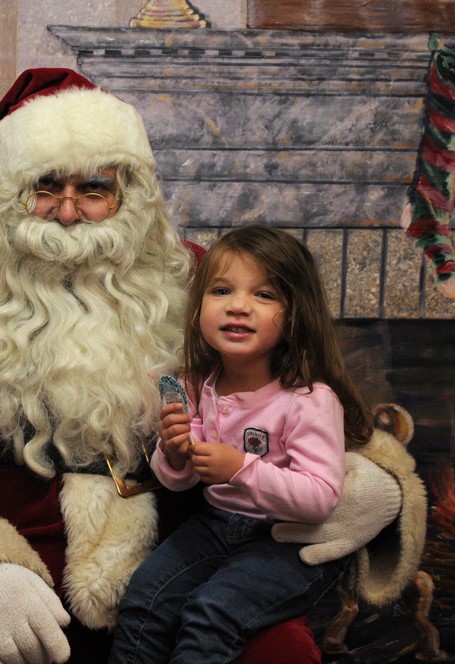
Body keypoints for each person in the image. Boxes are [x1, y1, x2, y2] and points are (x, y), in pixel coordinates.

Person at [0, 69, 411, 664]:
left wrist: (373, 487)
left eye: (94, 189)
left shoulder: (196, 281)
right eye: (43, 187)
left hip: (172, 561)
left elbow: (300, 393)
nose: (67, 214)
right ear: (6, 195)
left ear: (128, 193)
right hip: (13, 565)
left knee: (278, 654)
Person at [109, 225, 369, 663]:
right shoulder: (195, 385)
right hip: (215, 524)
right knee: (145, 598)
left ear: (296, 313)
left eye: (264, 295)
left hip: (290, 540)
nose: (238, 306)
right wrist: (174, 453)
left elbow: (320, 499)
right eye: (222, 290)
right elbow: (177, 481)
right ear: (199, 308)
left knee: (212, 612)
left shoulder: (309, 400)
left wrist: (240, 468)